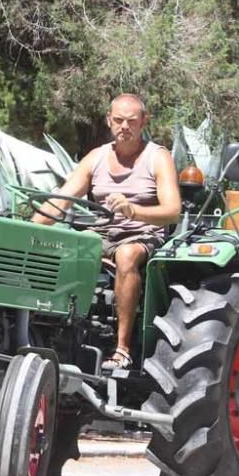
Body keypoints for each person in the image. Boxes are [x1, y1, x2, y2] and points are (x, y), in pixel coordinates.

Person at [31, 94, 181, 370]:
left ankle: (122, 349)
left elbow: (172, 210)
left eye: (132, 121)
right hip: (101, 233)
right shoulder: (96, 158)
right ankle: (53, 332)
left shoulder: (157, 157)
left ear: (144, 122)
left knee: (126, 256)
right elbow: (62, 200)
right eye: (119, 120)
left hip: (143, 233)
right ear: (109, 120)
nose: (125, 126)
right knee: (62, 250)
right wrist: (27, 232)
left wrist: (133, 211)